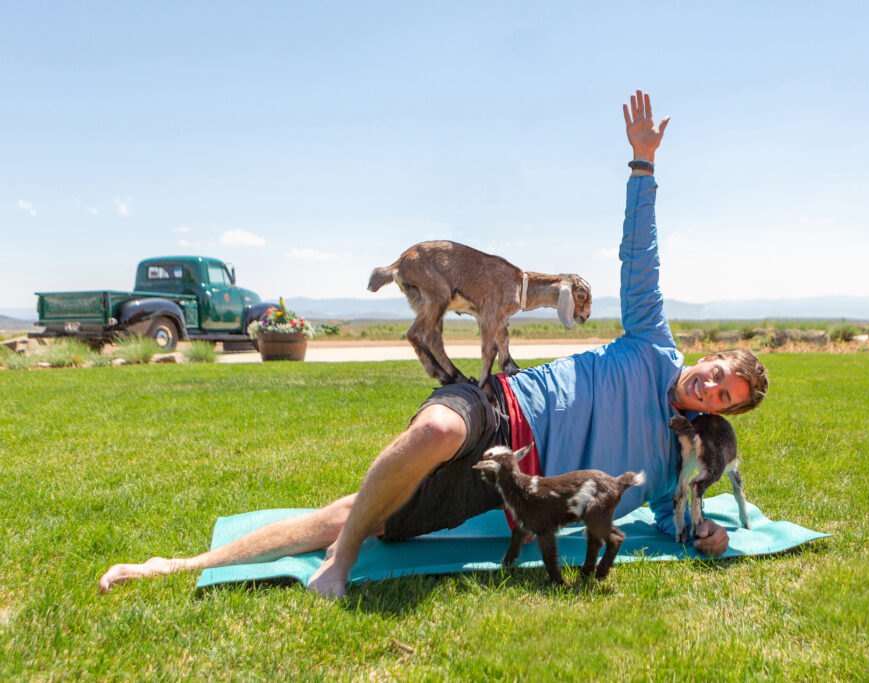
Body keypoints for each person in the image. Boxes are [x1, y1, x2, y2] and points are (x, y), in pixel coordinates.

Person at [98, 90, 768, 599]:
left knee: (352, 512)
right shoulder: (653, 341)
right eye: (716, 373)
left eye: (723, 397)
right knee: (439, 429)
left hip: (515, 488)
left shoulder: (679, 450)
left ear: (721, 413)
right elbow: (640, 260)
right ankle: (339, 563)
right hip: (504, 402)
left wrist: (706, 536)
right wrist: (642, 165)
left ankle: (178, 566)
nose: (709, 387)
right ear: (707, 356)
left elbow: (680, 512)